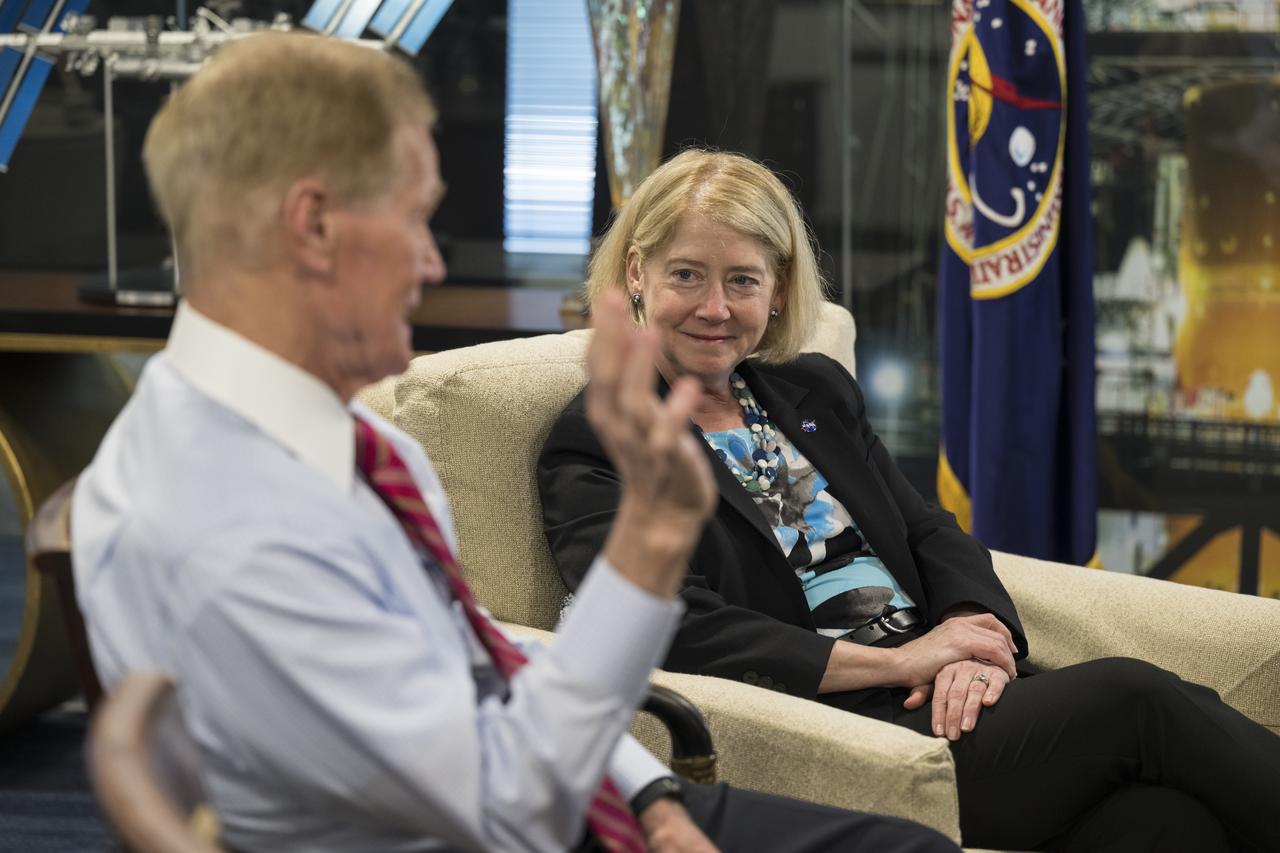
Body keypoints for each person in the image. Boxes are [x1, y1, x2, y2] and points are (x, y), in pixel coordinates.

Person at [70, 33, 958, 853]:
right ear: (314, 226)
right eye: (417, 219)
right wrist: (650, 539)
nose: (431, 263)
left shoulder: (346, 445)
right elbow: (511, 801)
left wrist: (648, 789)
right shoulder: (227, 518)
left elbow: (487, 654)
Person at [537, 148, 1280, 853]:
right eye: (688, 276)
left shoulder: (812, 392)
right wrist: (900, 663)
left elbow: (930, 531)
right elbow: (684, 628)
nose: (716, 307)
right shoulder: (599, 442)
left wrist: (972, 635)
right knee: (1135, 698)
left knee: (1162, 821)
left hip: (947, 694)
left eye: (742, 280)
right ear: (637, 273)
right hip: (841, 724)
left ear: (779, 287)